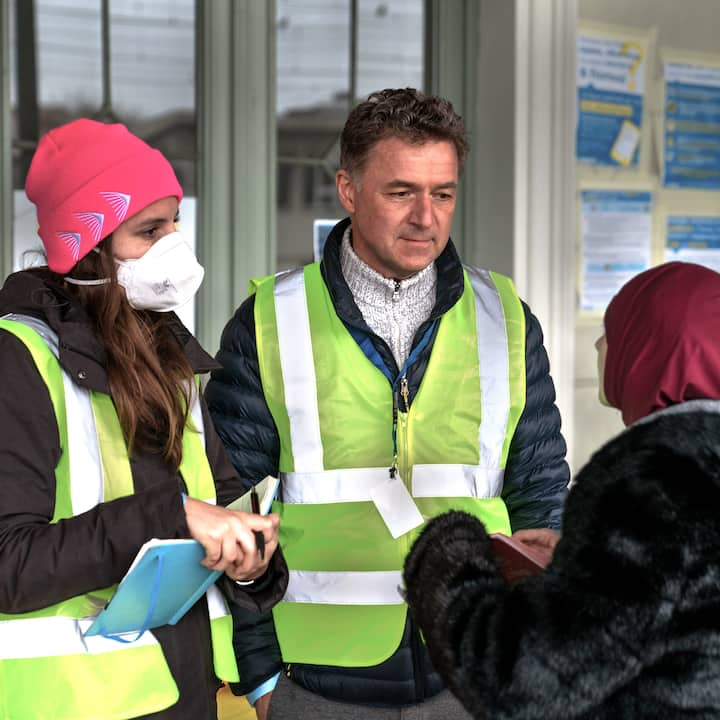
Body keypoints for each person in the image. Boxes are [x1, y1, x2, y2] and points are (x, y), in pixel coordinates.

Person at [205, 87, 569, 719]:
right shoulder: (270, 321)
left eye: (444, 193)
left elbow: (541, 500)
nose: (426, 217)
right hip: (313, 683)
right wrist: (260, 677)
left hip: (474, 671)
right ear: (348, 190)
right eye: (401, 192)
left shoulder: (505, 320)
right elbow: (225, 510)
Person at [0, 118, 287, 720]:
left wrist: (253, 560)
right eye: (149, 230)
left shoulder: (175, 363)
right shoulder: (18, 361)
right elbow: (9, 564)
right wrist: (171, 517)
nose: (175, 244)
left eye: (175, 221)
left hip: (190, 700)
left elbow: (227, 506)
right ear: (88, 246)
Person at [402, 261, 720, 719]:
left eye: (614, 330)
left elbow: (523, 682)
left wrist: (448, 555)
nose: (598, 343)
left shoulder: (652, 484)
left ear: (651, 349)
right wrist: (579, 561)